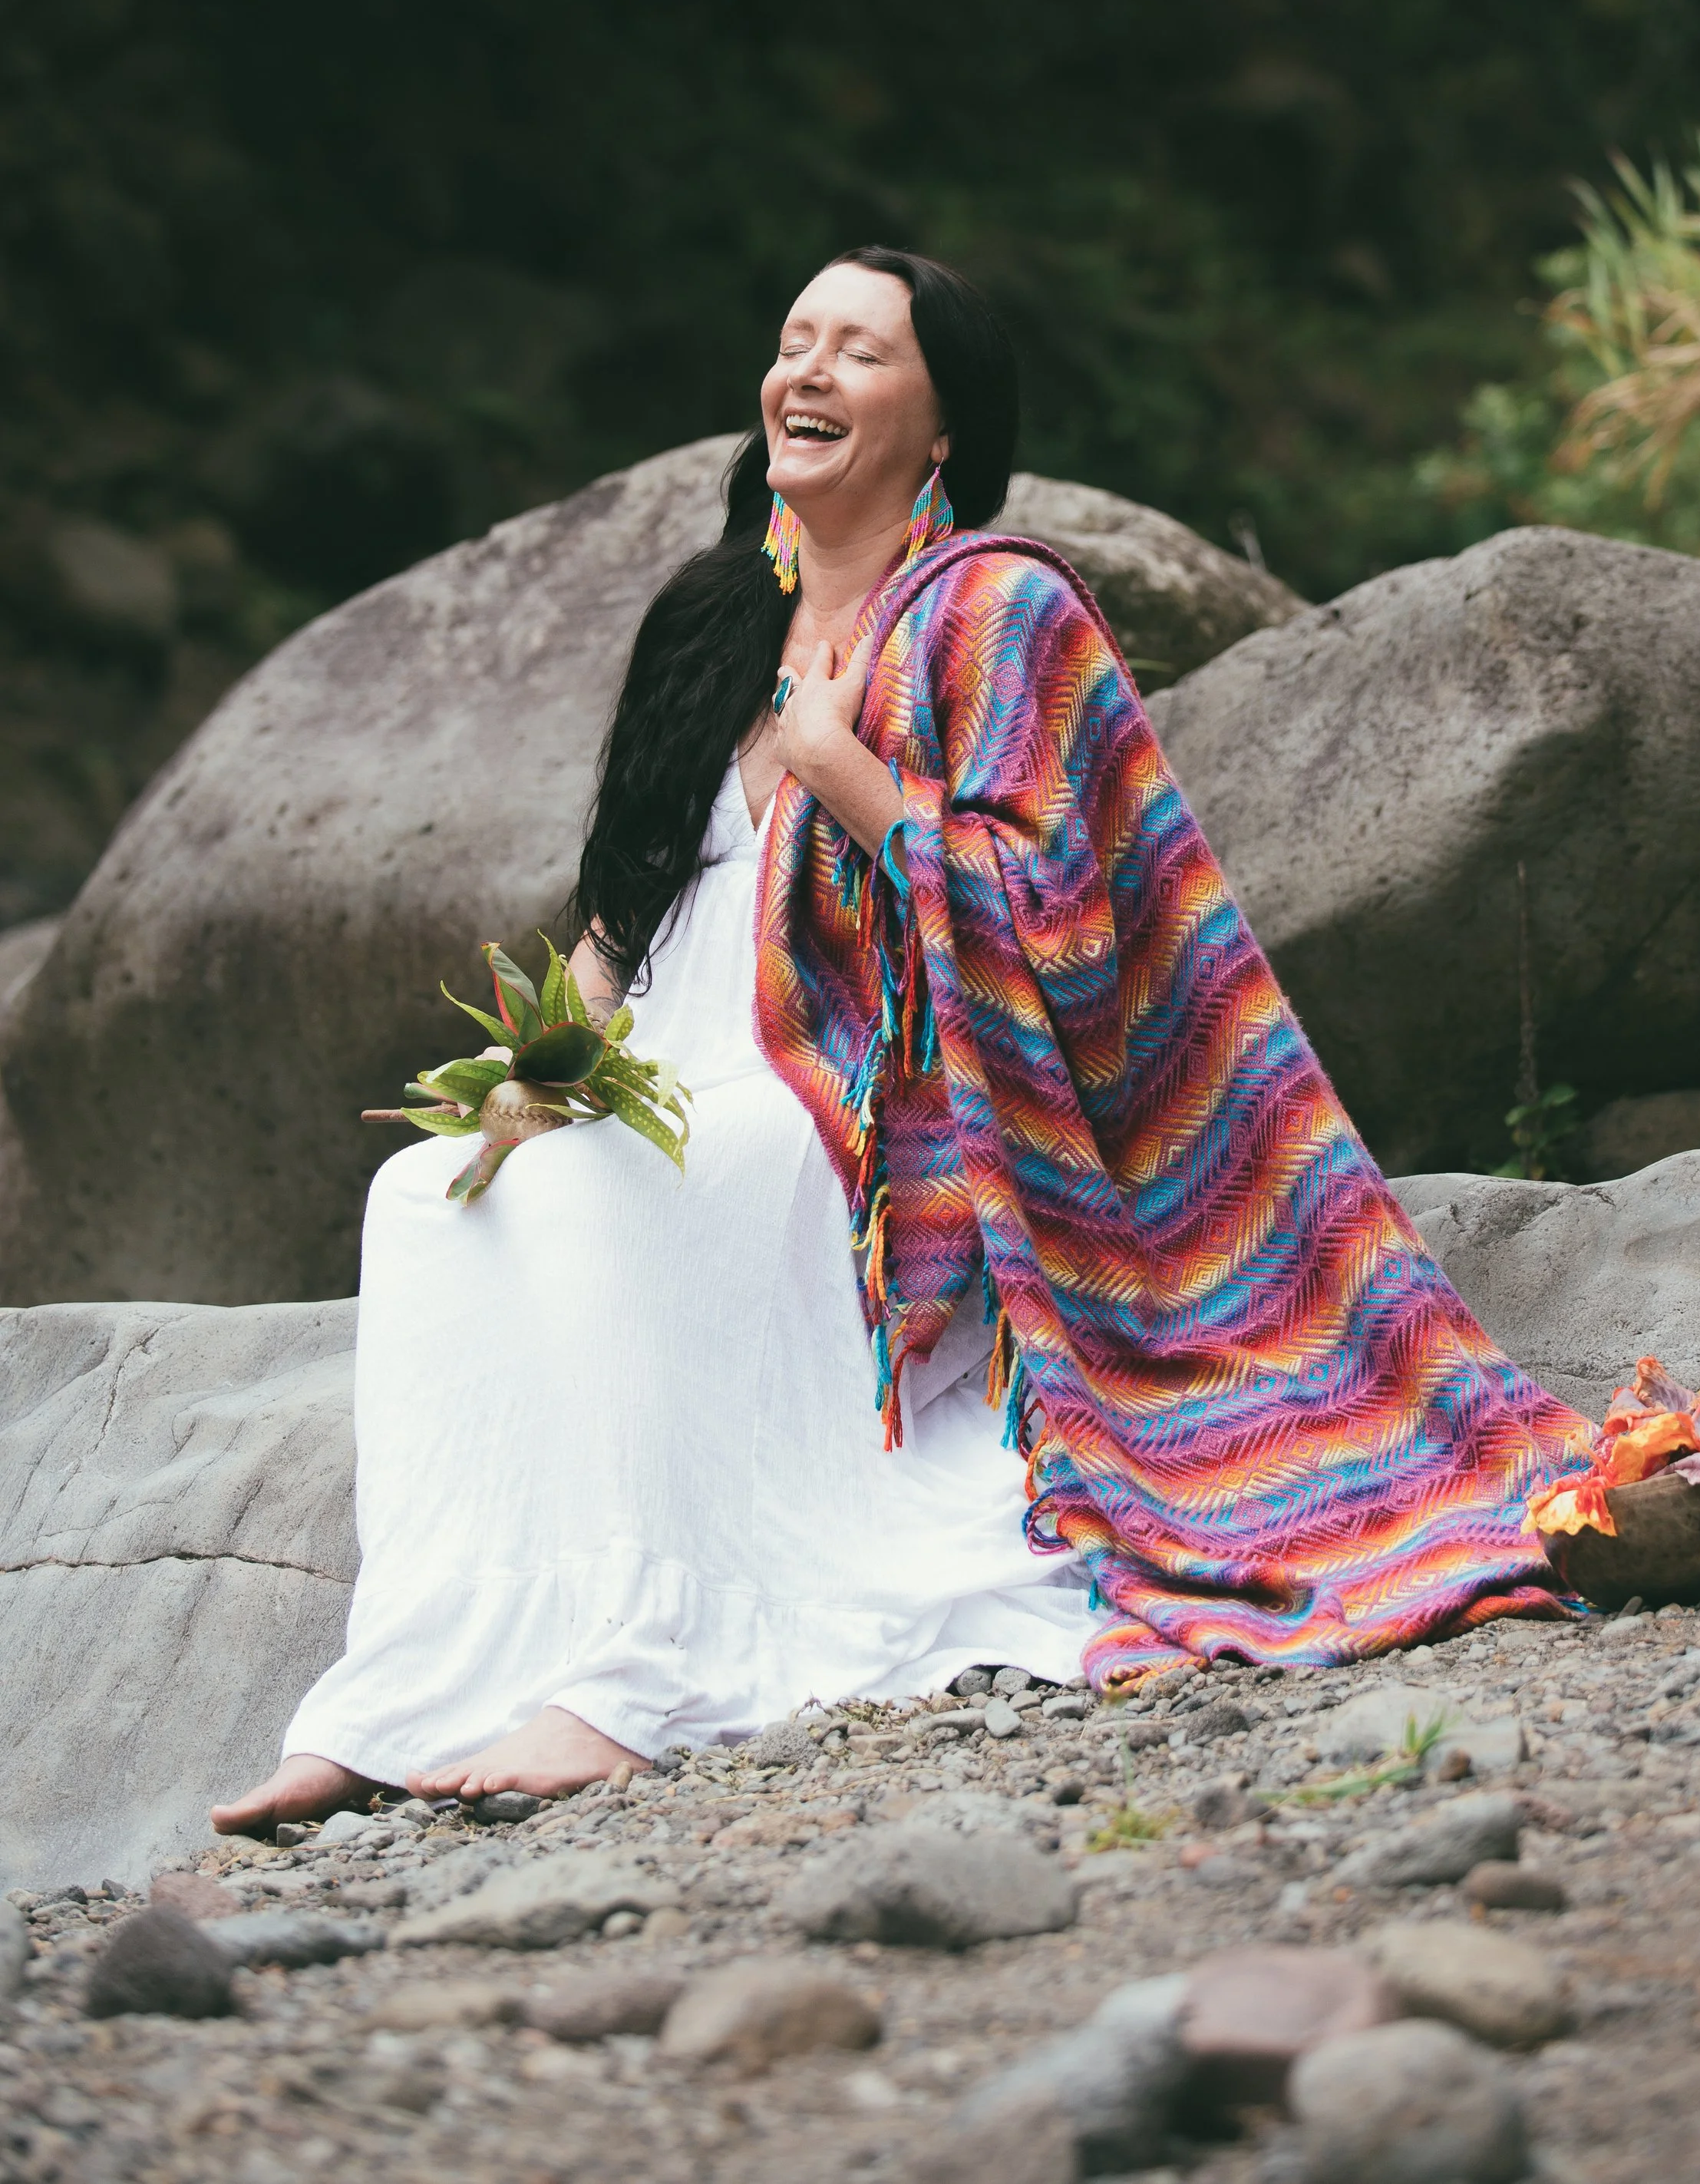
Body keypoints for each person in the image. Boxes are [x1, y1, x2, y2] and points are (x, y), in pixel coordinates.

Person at [213, 245, 1592, 1837]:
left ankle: (632, 1679)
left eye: (860, 354)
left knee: (604, 1205)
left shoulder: (1000, 610)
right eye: (795, 341)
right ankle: (399, 1694)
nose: (807, 373)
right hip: (671, 1082)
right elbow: (626, 903)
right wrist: (535, 1075)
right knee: (428, 1202)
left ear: (941, 427)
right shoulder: (715, 612)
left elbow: (1064, 916)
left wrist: (846, 772)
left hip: (871, 1118)